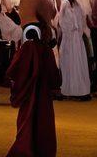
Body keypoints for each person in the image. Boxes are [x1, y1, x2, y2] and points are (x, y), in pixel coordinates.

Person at [6, 26, 61, 157]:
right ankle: (43, 149)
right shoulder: (46, 49)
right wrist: (54, 85)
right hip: (44, 93)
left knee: (27, 120)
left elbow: (14, 70)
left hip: (28, 92)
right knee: (43, 121)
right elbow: (54, 73)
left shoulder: (25, 49)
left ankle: (25, 147)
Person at [57, 0, 91, 100]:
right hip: (69, 38)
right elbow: (61, 19)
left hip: (77, 38)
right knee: (69, 61)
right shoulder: (65, 2)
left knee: (78, 61)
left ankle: (79, 89)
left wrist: (80, 31)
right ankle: (69, 88)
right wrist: (68, 31)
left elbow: (81, 18)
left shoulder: (76, 3)